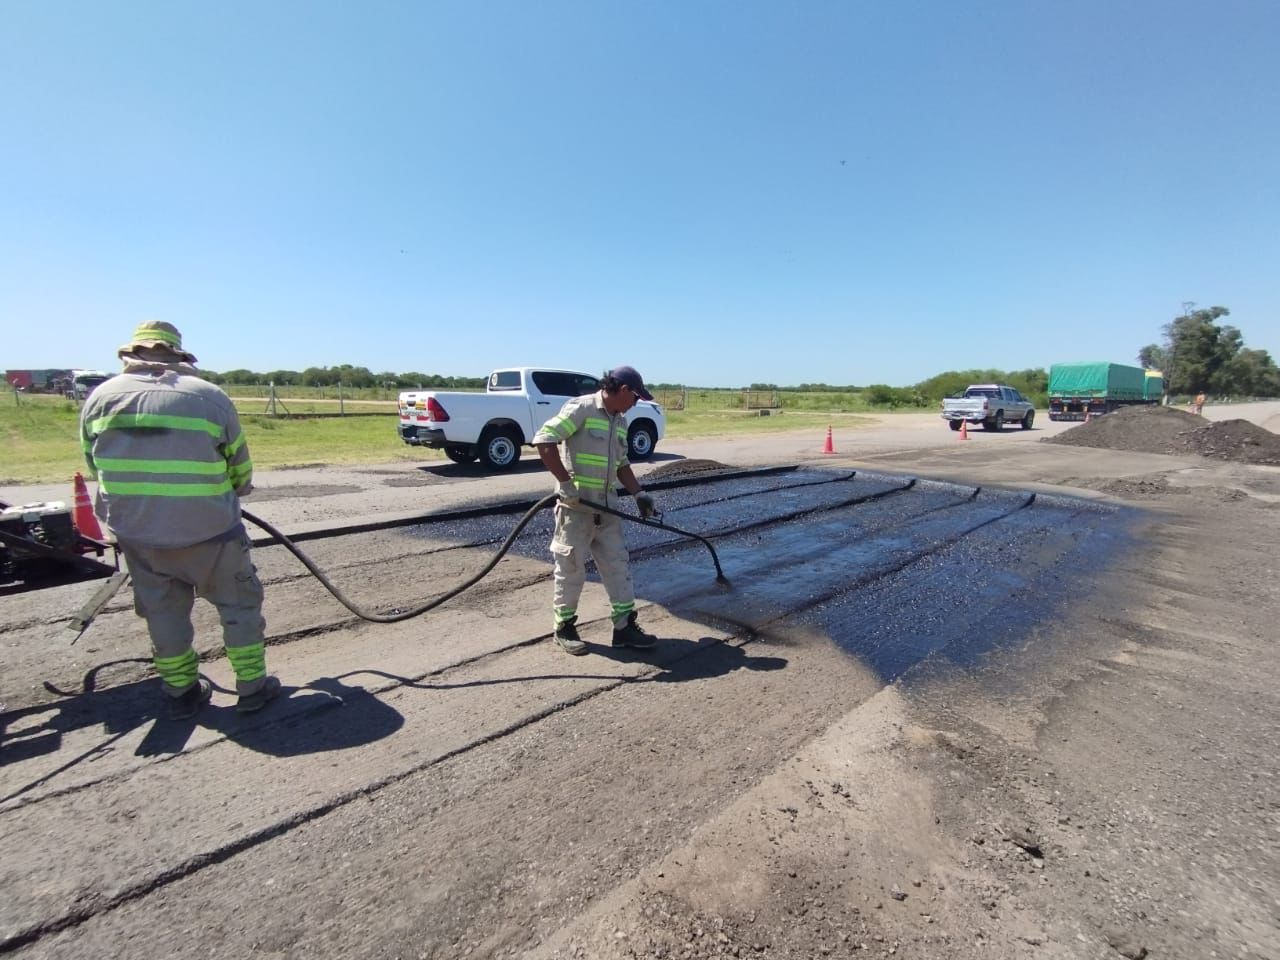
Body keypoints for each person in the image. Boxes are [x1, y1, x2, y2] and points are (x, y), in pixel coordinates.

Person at [79, 321, 280, 719]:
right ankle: (252, 688)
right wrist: (230, 492)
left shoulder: (100, 398)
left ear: (132, 355)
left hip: (139, 536)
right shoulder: (209, 397)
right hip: (211, 533)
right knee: (239, 606)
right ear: (178, 355)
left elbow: (92, 463)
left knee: (163, 613)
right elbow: (239, 467)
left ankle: (181, 692)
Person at [534, 366, 660, 655]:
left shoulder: (620, 421)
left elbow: (621, 463)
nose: (636, 403)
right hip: (576, 508)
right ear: (624, 390)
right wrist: (565, 484)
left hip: (607, 508)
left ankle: (624, 628)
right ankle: (564, 628)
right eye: (636, 397)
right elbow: (544, 440)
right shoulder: (582, 408)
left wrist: (638, 493)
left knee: (618, 565)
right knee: (571, 568)